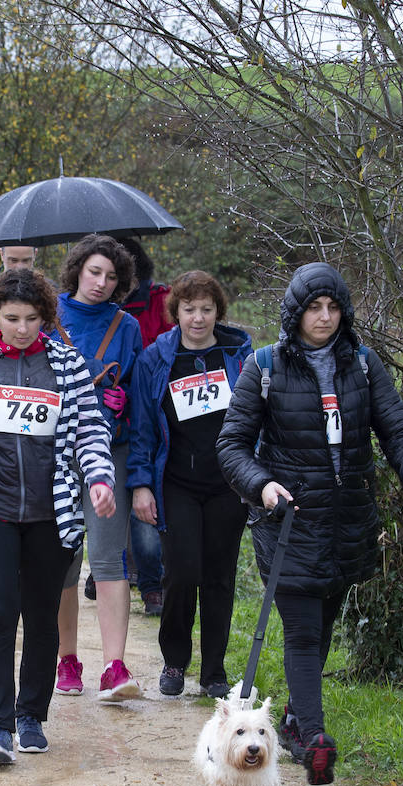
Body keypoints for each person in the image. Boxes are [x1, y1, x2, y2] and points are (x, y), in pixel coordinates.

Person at [216, 262, 403, 785]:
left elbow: (396, 425)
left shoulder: (361, 364)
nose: (324, 317)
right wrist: (261, 485)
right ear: (296, 312)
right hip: (289, 520)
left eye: (333, 307)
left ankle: (292, 718)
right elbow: (231, 445)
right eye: (314, 307)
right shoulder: (264, 366)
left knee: (325, 623)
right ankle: (314, 738)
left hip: (346, 523)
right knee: (303, 629)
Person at [0, 269, 116, 764]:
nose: (21, 328)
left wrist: (99, 479)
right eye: (11, 318)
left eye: (32, 319)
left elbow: (90, 431)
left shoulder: (67, 366)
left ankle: (30, 715)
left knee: (42, 616)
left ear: (46, 317)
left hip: (50, 511)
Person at [127, 270, 253, 699]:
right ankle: (175, 661)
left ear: (218, 311)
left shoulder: (239, 356)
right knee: (180, 573)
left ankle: (214, 670)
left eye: (206, 309)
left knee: (219, 577)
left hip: (227, 484)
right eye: (189, 309)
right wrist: (140, 485)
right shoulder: (155, 359)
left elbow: (258, 419)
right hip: (176, 482)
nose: (198, 318)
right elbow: (142, 427)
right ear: (175, 312)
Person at [48, 234, 144, 701]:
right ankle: (67, 660)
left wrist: (122, 403)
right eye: (94, 272)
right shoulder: (48, 315)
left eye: (111, 276)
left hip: (112, 451)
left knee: (109, 559)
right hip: (56, 450)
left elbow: (139, 387)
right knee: (65, 560)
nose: (102, 283)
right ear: (77, 271)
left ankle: (114, 665)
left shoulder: (127, 326)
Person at [117, 237, 170, 616]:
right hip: (120, 415)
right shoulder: (104, 310)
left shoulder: (162, 301)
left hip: (162, 409)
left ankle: (153, 579)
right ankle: (133, 571)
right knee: (127, 495)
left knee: (150, 496)